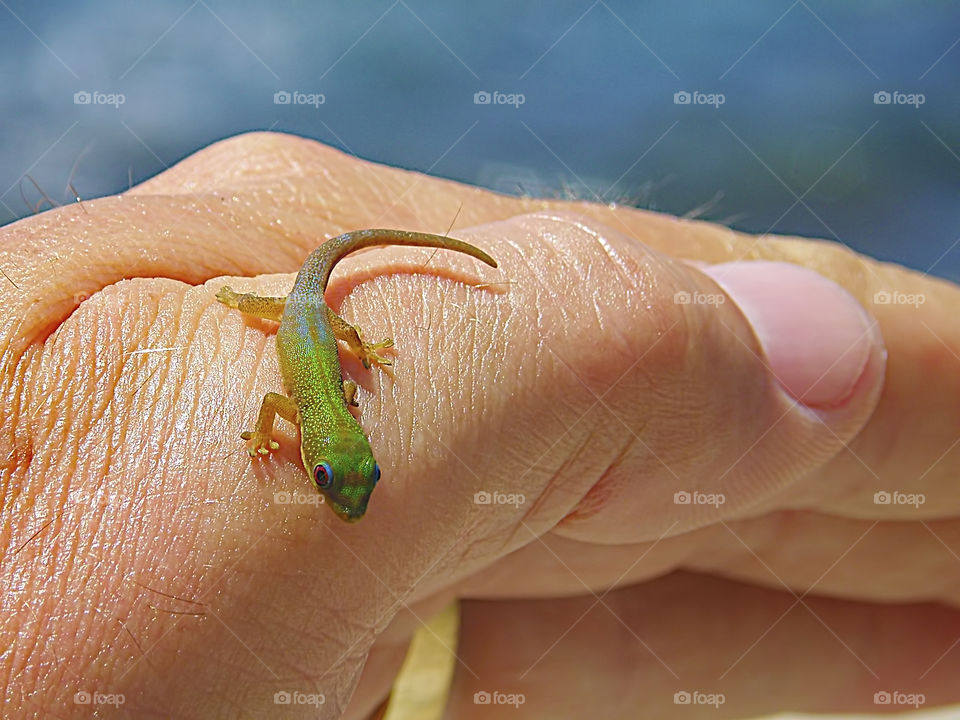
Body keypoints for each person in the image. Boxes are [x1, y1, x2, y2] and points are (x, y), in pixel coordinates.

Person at [2, 132, 957, 719]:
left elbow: (301, 388)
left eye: (352, 480)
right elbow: (276, 403)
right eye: (345, 481)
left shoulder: (323, 410)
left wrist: (361, 351)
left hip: (314, 320)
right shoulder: (304, 414)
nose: (349, 491)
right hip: (290, 315)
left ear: (355, 452)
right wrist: (264, 431)